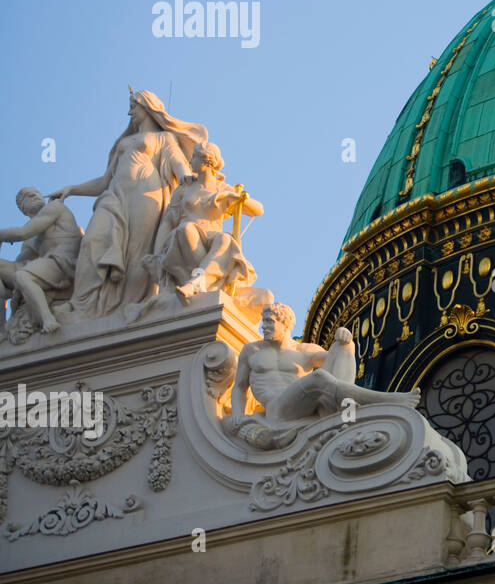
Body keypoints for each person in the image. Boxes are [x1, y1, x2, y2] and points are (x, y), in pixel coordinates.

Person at [51, 90, 206, 320]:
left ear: (148, 106)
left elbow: (178, 165)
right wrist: (72, 190)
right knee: (92, 241)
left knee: (138, 250)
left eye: (134, 106)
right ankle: (81, 305)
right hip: (114, 196)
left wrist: (187, 177)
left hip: (146, 195)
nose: (129, 112)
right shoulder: (123, 142)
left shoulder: (165, 138)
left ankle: (132, 305)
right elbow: (104, 181)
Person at [226, 303, 418, 449]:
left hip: (305, 405)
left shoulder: (305, 351)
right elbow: (240, 387)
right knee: (319, 379)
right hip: (277, 410)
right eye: (263, 321)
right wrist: (237, 415)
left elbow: (337, 358)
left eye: (270, 321)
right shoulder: (252, 351)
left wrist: (345, 338)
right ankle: (387, 401)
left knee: (345, 347)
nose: (263, 327)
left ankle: (343, 411)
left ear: (285, 325)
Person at [147, 141, 262, 299]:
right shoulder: (185, 188)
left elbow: (258, 210)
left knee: (225, 238)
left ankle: (198, 282)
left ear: (206, 161)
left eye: (194, 157)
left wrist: (233, 196)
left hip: (212, 242)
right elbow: (168, 221)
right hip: (184, 241)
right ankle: (202, 279)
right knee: (186, 228)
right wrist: (157, 253)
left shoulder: (222, 189)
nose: (190, 161)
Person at [0, 188, 82, 335]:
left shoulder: (54, 208)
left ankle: (47, 319)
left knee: (23, 276)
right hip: (48, 265)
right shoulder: (29, 241)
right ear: (22, 208)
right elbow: (19, 264)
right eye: (28, 196)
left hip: (64, 261)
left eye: (37, 193)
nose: (35, 196)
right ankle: (1, 330)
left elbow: (21, 233)